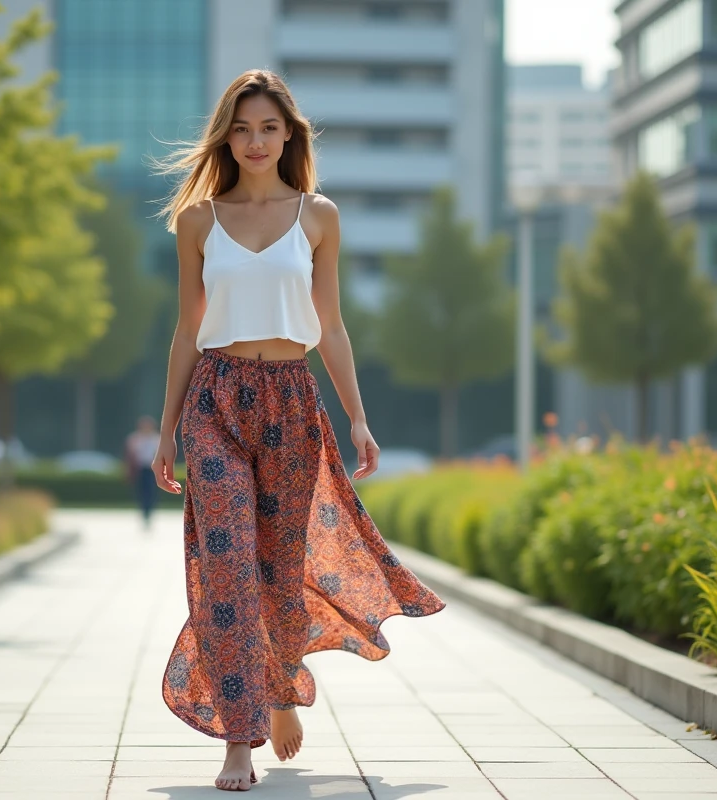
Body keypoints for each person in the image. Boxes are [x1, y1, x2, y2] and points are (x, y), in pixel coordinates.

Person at [149, 69, 446, 792]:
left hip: (290, 400)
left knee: (279, 572)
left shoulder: (318, 216)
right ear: (227, 135)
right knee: (226, 569)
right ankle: (238, 741)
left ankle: (282, 688)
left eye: (269, 128)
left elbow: (332, 326)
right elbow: (187, 331)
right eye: (243, 128)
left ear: (290, 135)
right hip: (216, 400)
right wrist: (166, 433)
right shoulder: (198, 221)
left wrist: (357, 415)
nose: (255, 141)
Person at [125, 415, 161, 528]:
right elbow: (130, 456)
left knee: (151, 491)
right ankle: (144, 511)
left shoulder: (157, 438)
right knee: (141, 492)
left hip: (152, 469)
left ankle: (149, 511)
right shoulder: (134, 439)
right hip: (140, 469)